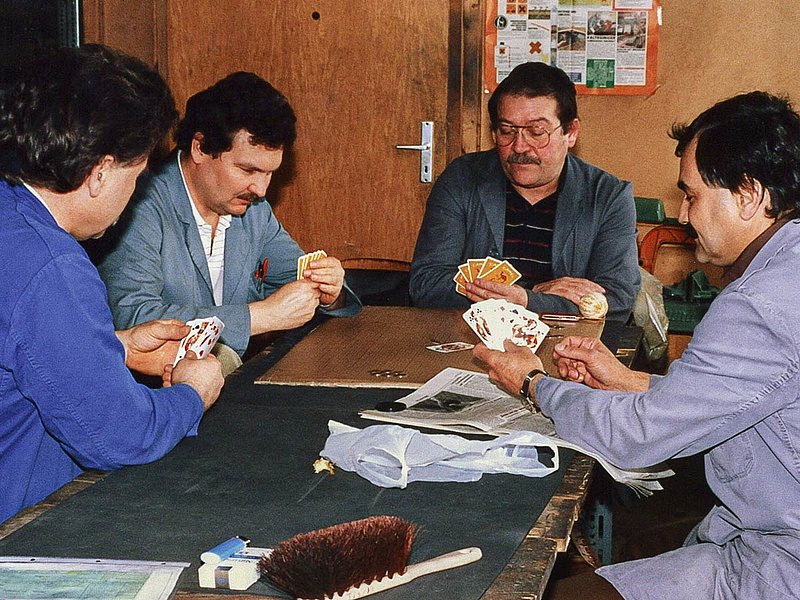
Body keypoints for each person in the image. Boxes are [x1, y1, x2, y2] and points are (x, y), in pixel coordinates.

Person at [474, 91, 800, 599]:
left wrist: (533, 383)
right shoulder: (788, 264)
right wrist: (632, 380)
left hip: (782, 559)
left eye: (691, 196)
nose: (685, 217)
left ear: (749, 195)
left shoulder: (758, 304)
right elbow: (753, 395)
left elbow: (638, 435)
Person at [0, 45, 224, 524]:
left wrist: (111, 347)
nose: (136, 193)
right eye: (137, 176)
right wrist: (192, 393)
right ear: (100, 173)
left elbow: (16, 350)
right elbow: (118, 436)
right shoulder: (51, 265)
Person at [96, 72, 361, 358]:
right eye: (248, 170)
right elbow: (135, 317)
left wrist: (330, 290)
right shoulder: (140, 205)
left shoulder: (253, 211)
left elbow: (295, 275)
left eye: (270, 173)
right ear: (200, 148)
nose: (260, 189)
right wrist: (261, 317)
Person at [409, 62, 640, 322]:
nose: (520, 146)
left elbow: (617, 301)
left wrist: (526, 300)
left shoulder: (607, 196)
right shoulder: (463, 179)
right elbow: (426, 284)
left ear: (571, 132)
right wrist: (528, 295)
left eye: (536, 132)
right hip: (475, 342)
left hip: (566, 348)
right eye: (507, 131)